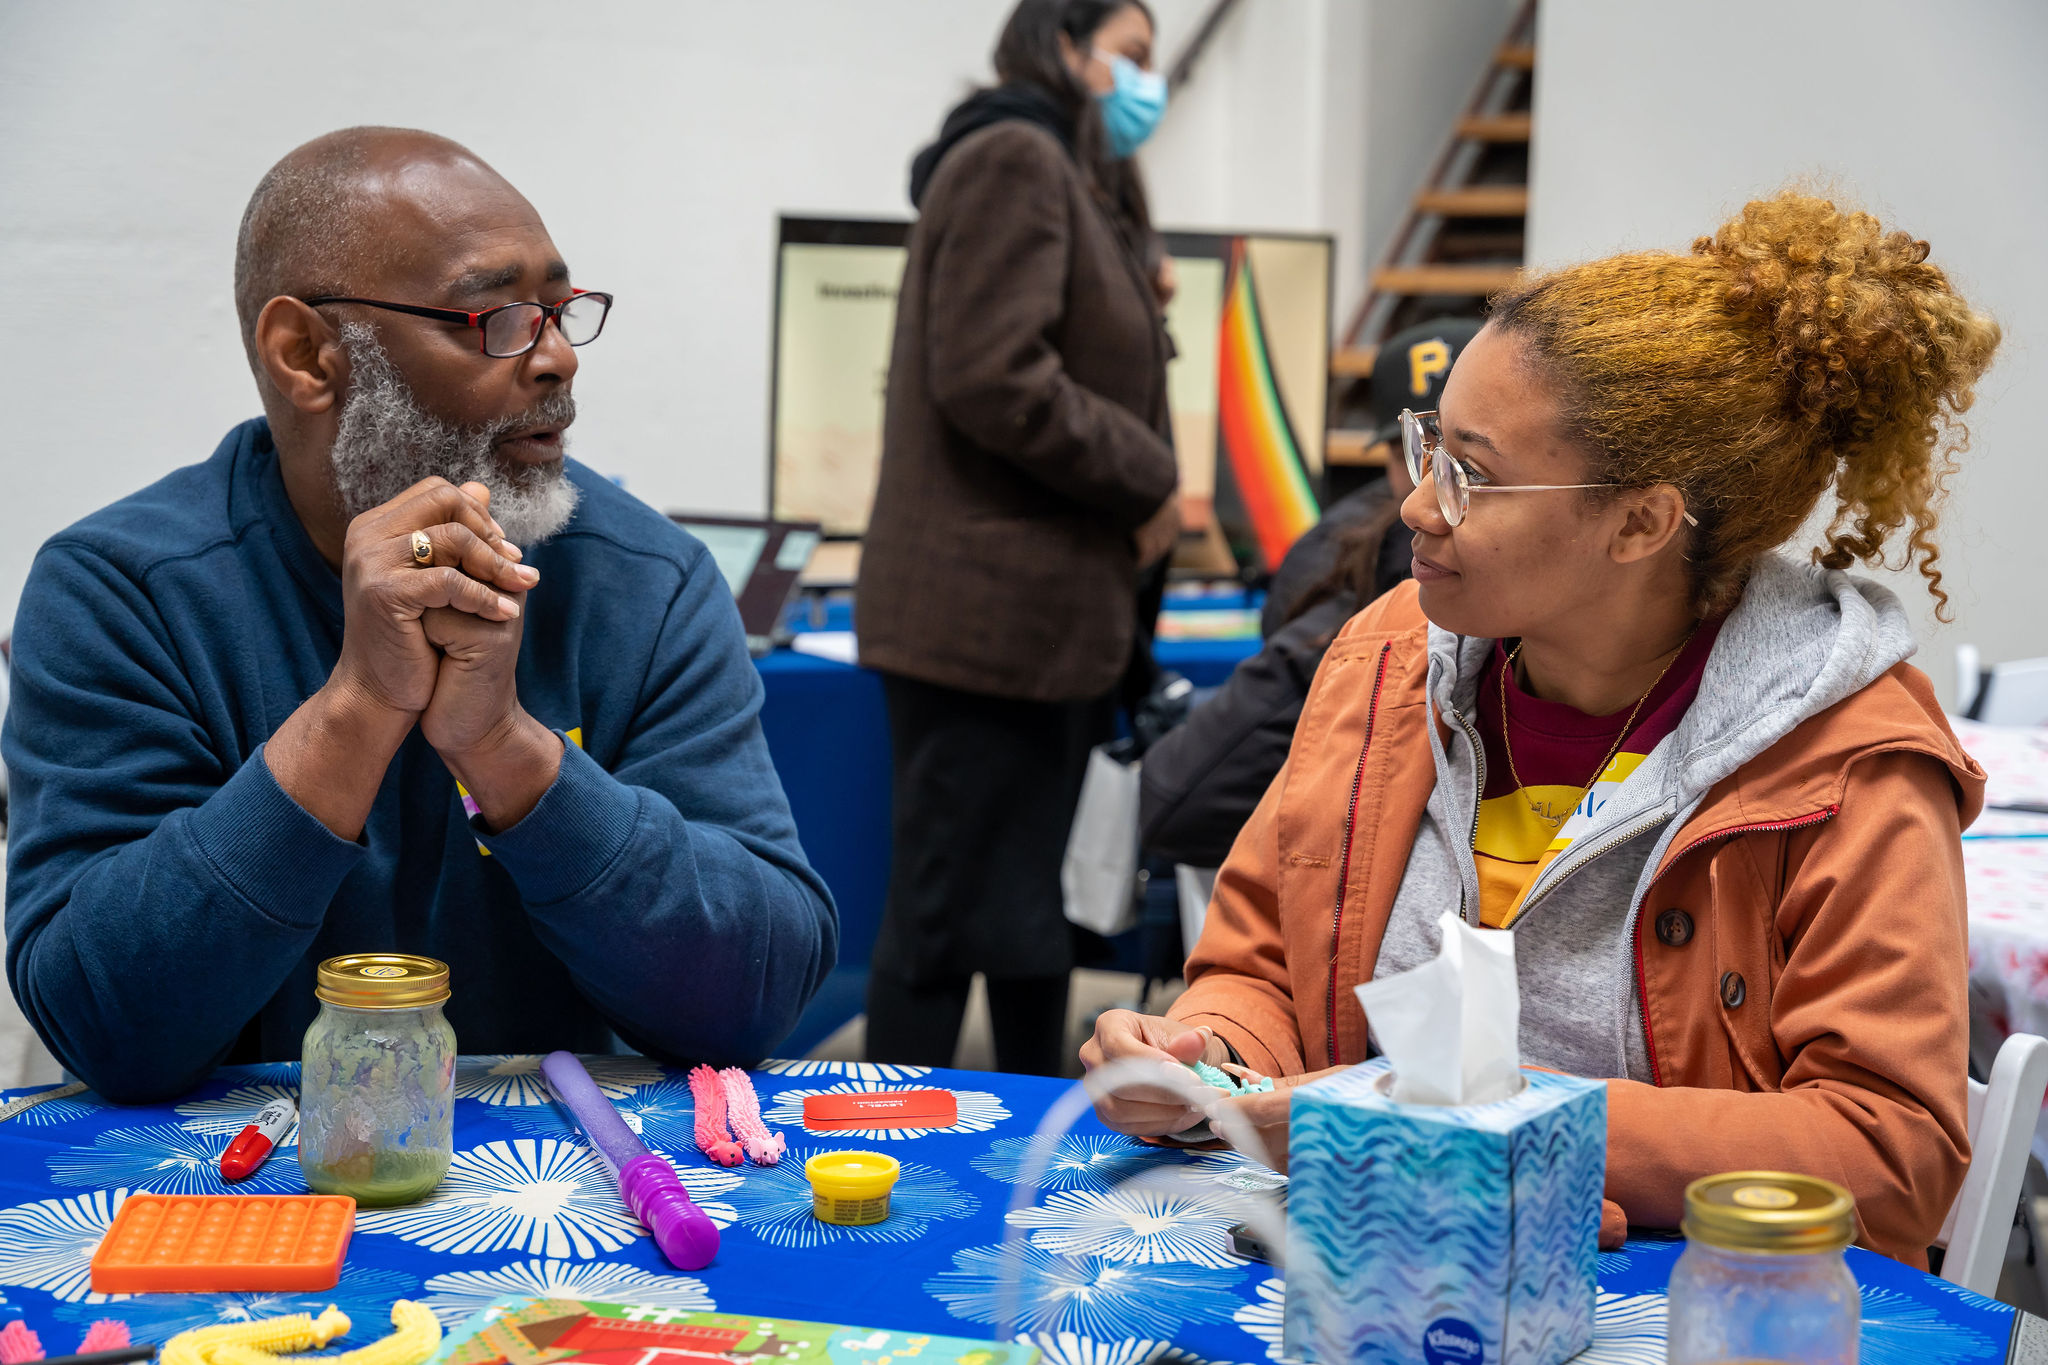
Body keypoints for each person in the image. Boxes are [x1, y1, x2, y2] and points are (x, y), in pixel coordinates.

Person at [1083, 191, 2001, 1268]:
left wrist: (1492, 1126)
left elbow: (1886, 1156)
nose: (1418, 507)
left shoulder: (1843, 761)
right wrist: (1208, 1053)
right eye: (1425, 448)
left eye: (1470, 472)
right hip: (1380, 1276)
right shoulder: (1385, 666)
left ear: (1640, 523)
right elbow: (1263, 968)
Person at [2, 128, 837, 1104]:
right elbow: (107, 1024)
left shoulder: (646, 581)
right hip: (227, 1206)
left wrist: (508, 751)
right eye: (497, 317)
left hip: (566, 1207)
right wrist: (353, 714)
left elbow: (753, 992)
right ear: (305, 353)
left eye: (562, 312)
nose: (557, 358)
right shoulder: (124, 591)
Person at [856, 0, 1181, 1076]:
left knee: (1030, 923)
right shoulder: (1013, 159)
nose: (1147, 82)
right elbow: (995, 374)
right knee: (943, 925)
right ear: (1061, 45)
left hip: (1040, 627)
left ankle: (1031, 1156)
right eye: (1129, 57)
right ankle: (899, 1166)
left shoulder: (1075, 176)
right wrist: (1149, 477)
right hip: (982, 626)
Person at [1140, 321, 1479, 869]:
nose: (1425, 499)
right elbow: (1180, 797)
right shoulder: (1358, 572)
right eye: (1415, 454)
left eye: (1471, 470)